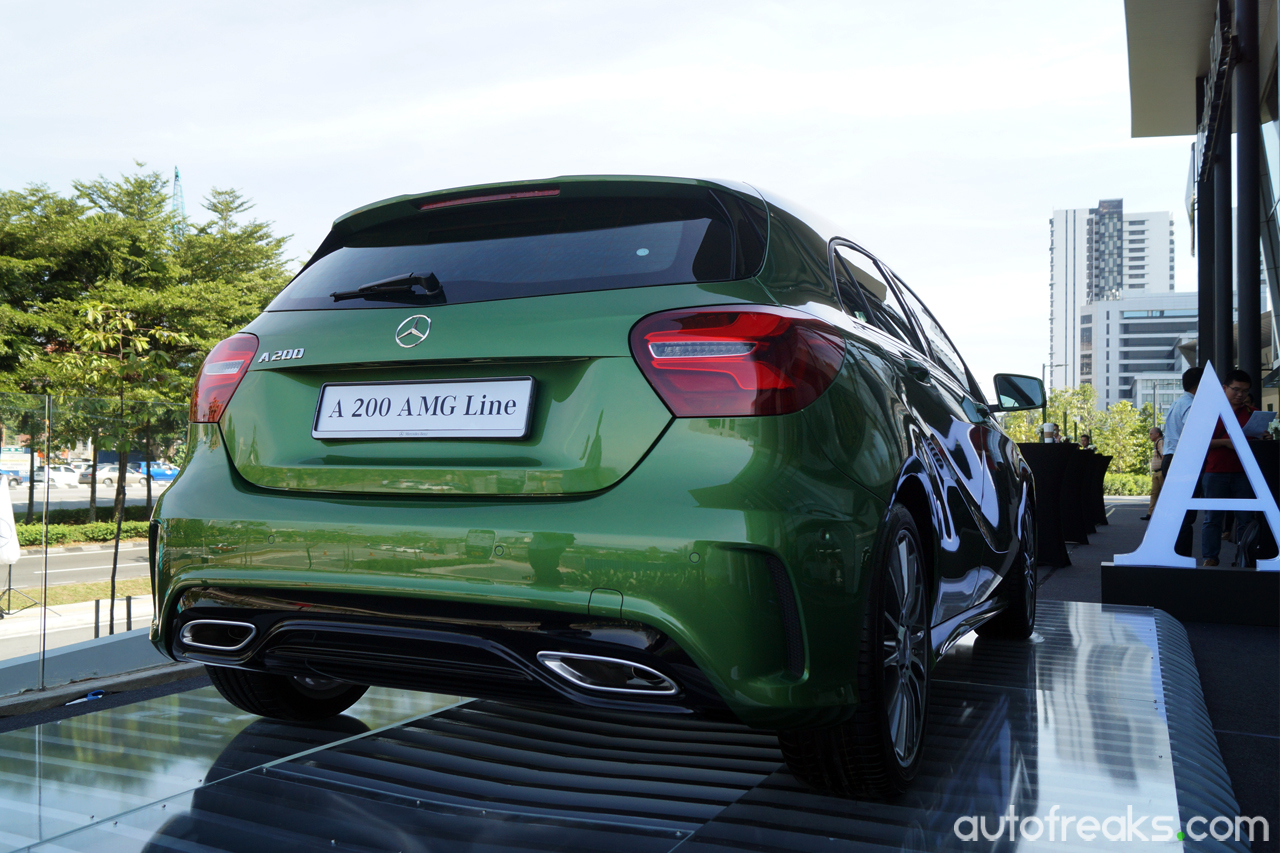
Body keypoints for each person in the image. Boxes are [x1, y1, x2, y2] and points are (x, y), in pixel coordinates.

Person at [1200, 369, 1257, 567]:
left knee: (1246, 519)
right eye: (1236, 389)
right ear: (1224, 388)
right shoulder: (1210, 410)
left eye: (1245, 391)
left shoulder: (1252, 412)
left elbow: (1256, 438)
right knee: (1212, 518)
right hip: (1215, 471)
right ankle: (1210, 557)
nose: (1240, 394)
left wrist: (1264, 438)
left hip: (1245, 472)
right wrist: (1226, 442)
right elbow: (1198, 441)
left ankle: (1243, 558)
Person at [1162, 366, 1203, 556]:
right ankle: (1181, 557)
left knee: (1176, 514)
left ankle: (1173, 554)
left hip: (1170, 458)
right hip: (1182, 461)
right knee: (1185, 516)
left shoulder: (1178, 402)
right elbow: (1192, 433)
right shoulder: (1192, 404)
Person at [1140, 426, 1163, 520]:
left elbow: (1163, 455)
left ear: (1157, 434)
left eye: (1151, 433)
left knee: (1162, 493)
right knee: (1154, 493)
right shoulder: (1156, 443)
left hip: (1161, 472)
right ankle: (1150, 513)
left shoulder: (1160, 442)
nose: (1149, 436)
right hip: (1156, 472)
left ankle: (1164, 513)